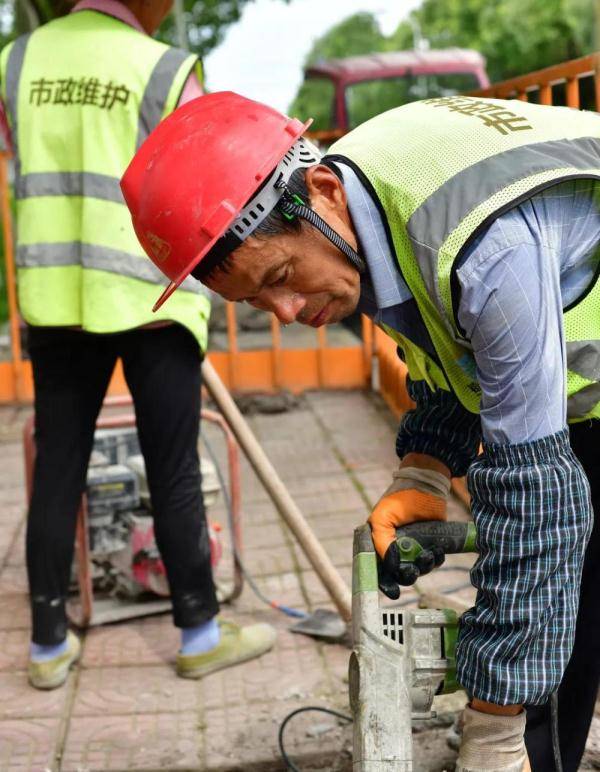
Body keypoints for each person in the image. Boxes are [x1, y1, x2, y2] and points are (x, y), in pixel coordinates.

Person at [121, 91, 600, 771]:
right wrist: (426, 467)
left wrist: (492, 730)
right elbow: (446, 338)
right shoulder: (362, 197)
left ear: (320, 193)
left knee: (553, 560)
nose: (285, 311)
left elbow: (538, 500)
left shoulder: (485, 246)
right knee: (562, 598)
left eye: (281, 276)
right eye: (254, 300)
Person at [0, 9, 275, 690]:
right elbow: (203, 179)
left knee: (57, 466)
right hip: (153, 295)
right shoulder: (163, 69)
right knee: (172, 466)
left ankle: (47, 646)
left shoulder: (16, 61)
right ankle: (200, 634)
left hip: (58, 295)